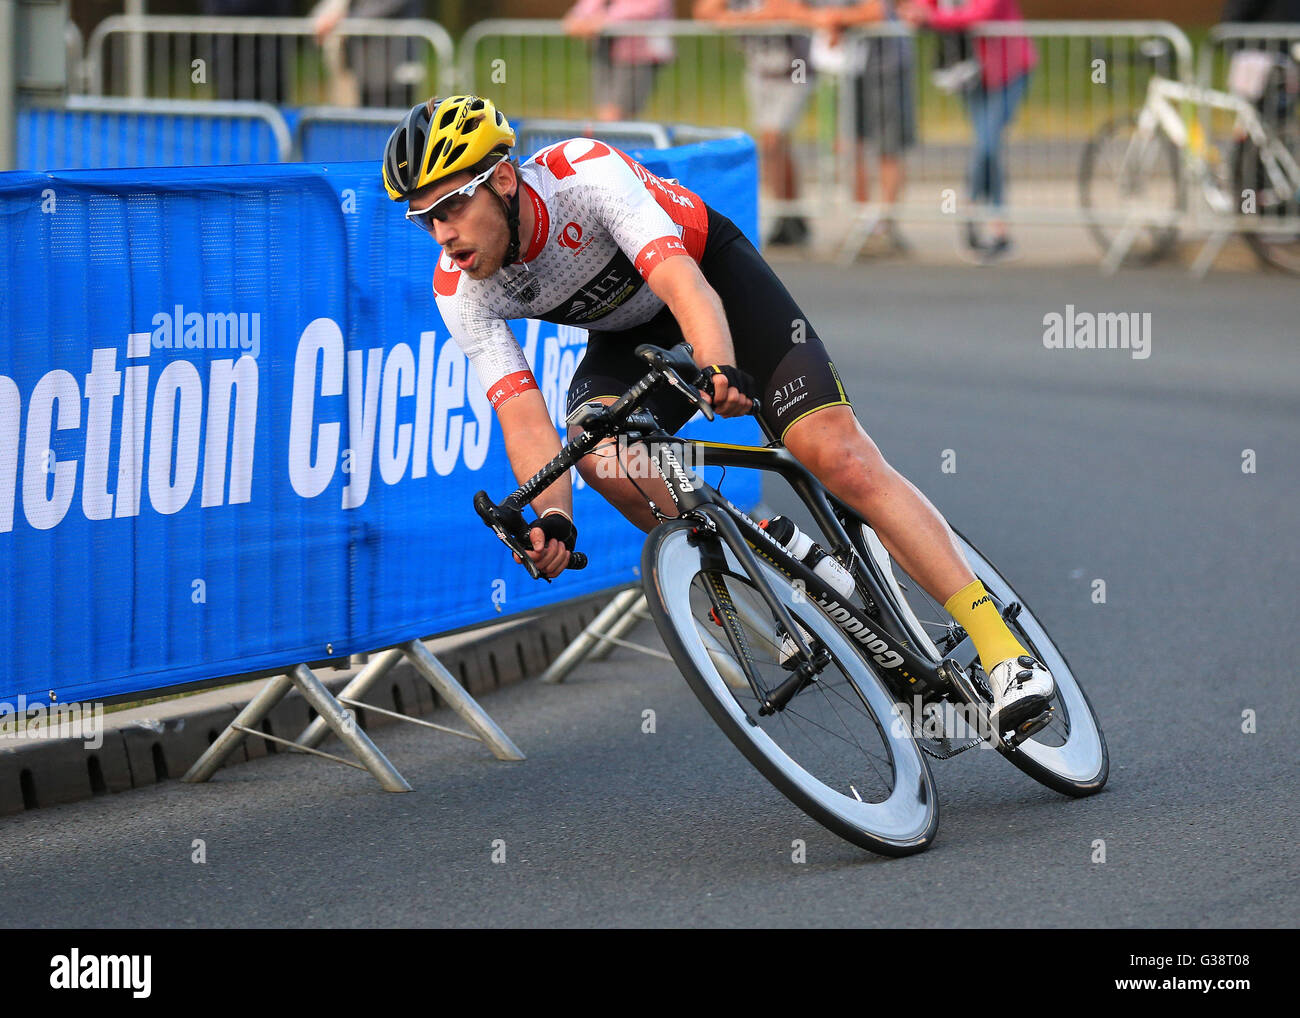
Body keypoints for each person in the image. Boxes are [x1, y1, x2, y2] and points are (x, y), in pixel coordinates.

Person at [382, 94, 1056, 734]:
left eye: (450, 208)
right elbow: (525, 420)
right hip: (628, 341)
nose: (442, 235)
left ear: (502, 179)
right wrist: (552, 516)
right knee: (594, 449)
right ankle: (767, 545)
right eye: (423, 219)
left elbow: (681, 282)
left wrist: (718, 365)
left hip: (713, 286)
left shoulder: (581, 175)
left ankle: (1004, 653)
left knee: (836, 456)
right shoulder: (461, 288)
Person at [900, 0, 1035, 261]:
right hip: (972, 72)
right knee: (987, 148)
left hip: (1009, 69)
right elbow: (919, 6)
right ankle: (997, 229)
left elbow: (980, 13)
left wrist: (931, 18)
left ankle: (972, 216)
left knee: (987, 146)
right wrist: (919, 12)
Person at [798, 0, 916, 255]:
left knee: (889, 146)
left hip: (887, 65)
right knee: (851, 143)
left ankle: (885, 226)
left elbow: (874, 13)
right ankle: (863, 224)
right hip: (851, 67)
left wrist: (835, 19)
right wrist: (831, 21)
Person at [694, 0, 815, 247]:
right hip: (759, 72)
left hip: (795, 69)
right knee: (774, 145)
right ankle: (789, 213)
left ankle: (789, 212)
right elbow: (705, 12)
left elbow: (784, 11)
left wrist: (736, 18)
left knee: (773, 139)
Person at [563, 0, 676, 121]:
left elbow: (646, 9)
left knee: (619, 113)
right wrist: (578, 19)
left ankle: (618, 138)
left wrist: (601, 22)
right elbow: (584, 10)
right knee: (605, 110)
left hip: (637, 55)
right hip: (604, 51)